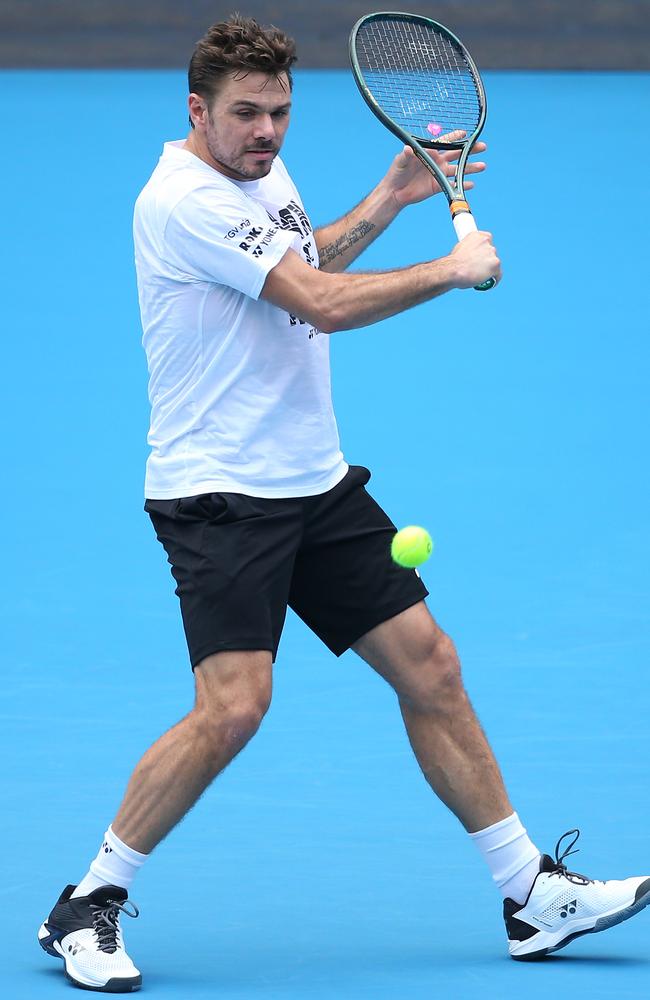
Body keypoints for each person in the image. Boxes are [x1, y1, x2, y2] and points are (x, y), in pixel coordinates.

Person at [38, 15, 649, 993]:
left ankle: (527, 893)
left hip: (310, 479)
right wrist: (450, 270)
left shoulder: (256, 173)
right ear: (196, 110)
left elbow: (297, 264)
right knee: (232, 709)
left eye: (280, 110)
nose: (267, 130)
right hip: (220, 494)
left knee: (430, 667)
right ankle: (88, 901)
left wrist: (391, 197)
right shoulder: (182, 199)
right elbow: (315, 303)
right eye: (245, 113)